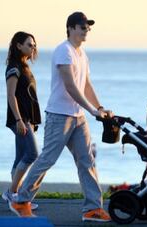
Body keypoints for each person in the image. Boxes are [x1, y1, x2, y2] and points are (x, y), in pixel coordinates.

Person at [9, 12, 113, 222]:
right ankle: (21, 199)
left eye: (88, 27)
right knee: (47, 158)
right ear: (72, 28)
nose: (86, 31)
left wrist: (99, 106)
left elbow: (86, 84)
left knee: (87, 161)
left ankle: (92, 209)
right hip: (59, 116)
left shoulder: (82, 53)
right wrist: (93, 111)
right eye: (83, 27)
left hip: (78, 117)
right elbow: (70, 86)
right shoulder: (63, 51)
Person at [2, 31, 41, 210]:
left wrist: (32, 121)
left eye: (34, 45)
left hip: (27, 119)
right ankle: (13, 192)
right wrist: (19, 120)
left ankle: (16, 197)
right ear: (18, 46)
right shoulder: (14, 67)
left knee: (20, 158)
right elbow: (11, 95)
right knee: (32, 154)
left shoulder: (25, 66)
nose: (33, 47)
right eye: (29, 44)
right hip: (20, 118)